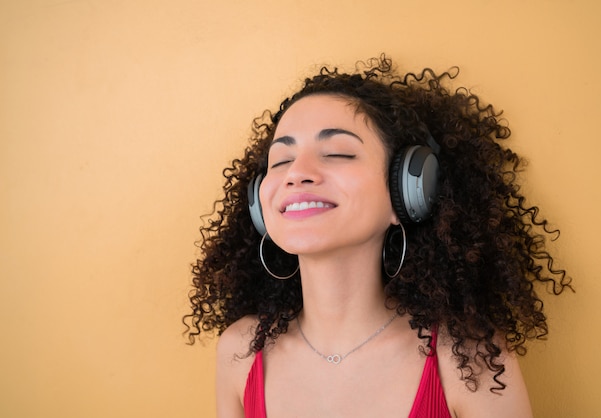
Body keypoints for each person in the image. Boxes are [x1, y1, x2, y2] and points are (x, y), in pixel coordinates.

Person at [184, 55, 571, 418]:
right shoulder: (240, 351)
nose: (296, 173)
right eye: (281, 159)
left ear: (406, 192)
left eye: (336, 152)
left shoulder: (469, 358)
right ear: (259, 202)